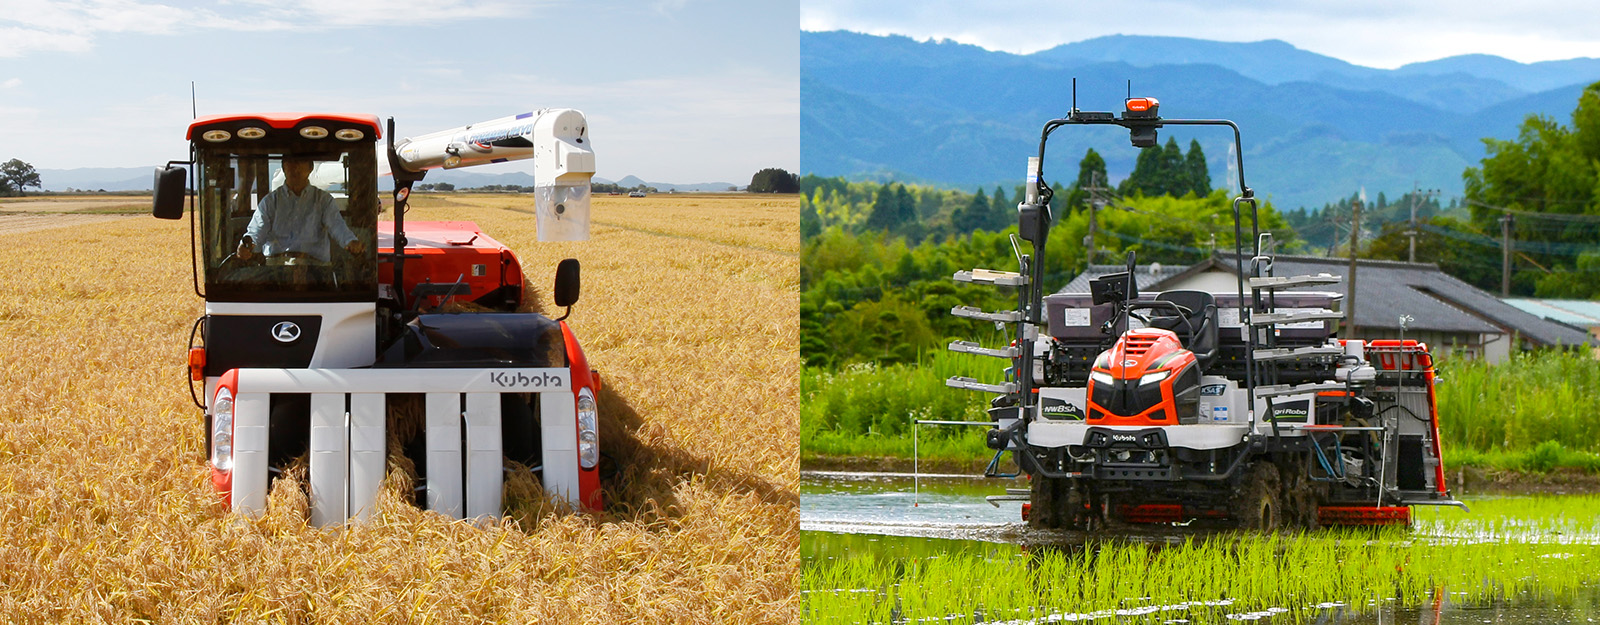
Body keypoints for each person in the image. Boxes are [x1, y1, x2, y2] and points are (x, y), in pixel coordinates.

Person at [237, 156, 365, 263]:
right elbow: (256, 231)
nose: (295, 167)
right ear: (283, 168)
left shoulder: (323, 200)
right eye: (290, 163)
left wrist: (350, 242)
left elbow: (337, 226)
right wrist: (247, 246)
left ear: (310, 168)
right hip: (276, 271)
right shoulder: (270, 202)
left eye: (300, 162)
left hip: (315, 269)